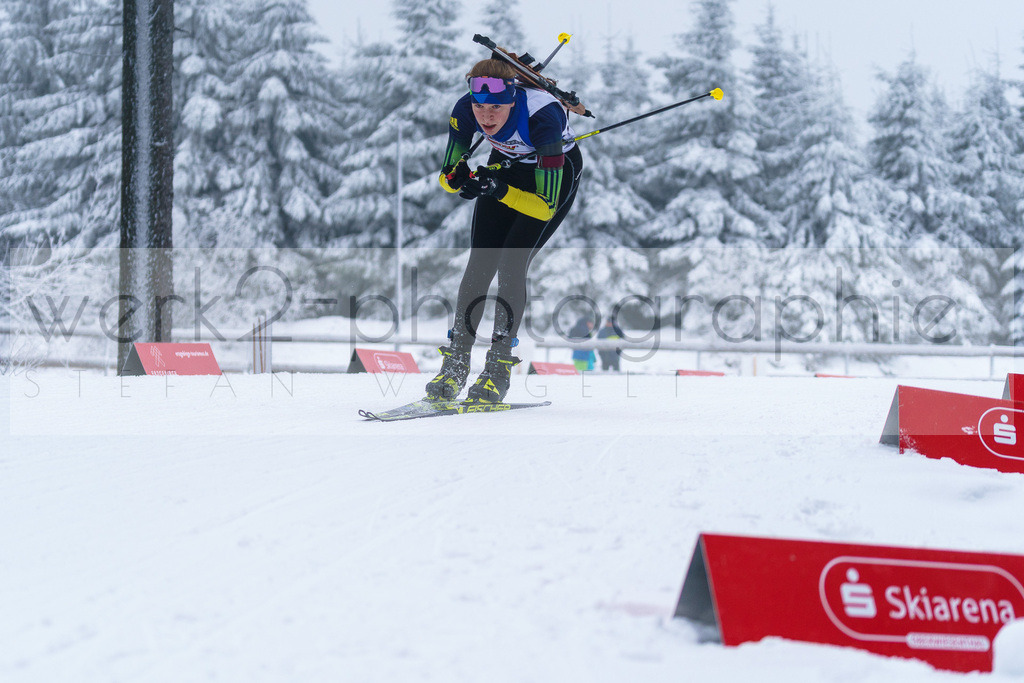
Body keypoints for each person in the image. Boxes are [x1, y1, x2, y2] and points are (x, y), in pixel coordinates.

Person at [425, 58, 585, 402]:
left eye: (496, 106)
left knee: (511, 264)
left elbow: (543, 205)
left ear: (513, 98)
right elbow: (445, 175)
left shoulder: (543, 117)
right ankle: (454, 366)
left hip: (552, 175)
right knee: (479, 265)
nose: (486, 116)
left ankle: (497, 371)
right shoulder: (464, 110)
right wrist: (461, 182)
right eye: (480, 106)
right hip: (505, 168)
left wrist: (495, 189)